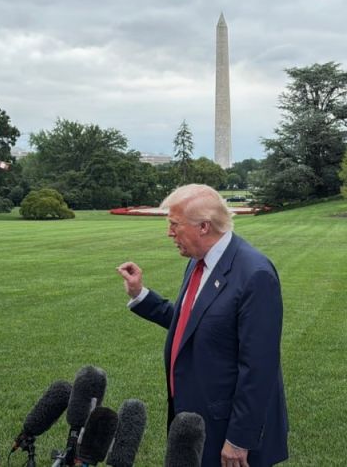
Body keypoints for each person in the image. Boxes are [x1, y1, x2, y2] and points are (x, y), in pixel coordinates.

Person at [117, 184, 289, 467]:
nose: (169, 233)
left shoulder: (255, 274)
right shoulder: (199, 262)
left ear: (204, 227)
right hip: (196, 420)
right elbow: (194, 323)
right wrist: (141, 295)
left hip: (227, 432)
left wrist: (239, 439)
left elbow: (259, 367)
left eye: (175, 224)